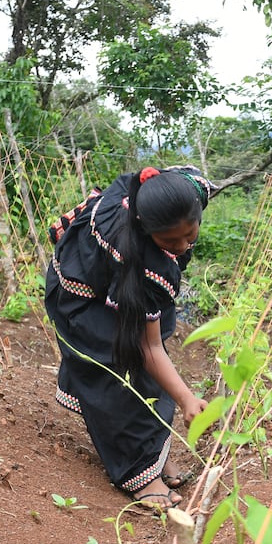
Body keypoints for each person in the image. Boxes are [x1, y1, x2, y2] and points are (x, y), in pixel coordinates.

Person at [45, 166, 212, 509]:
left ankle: (154, 452)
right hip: (82, 298)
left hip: (117, 281)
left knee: (155, 335)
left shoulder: (183, 189)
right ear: (144, 227)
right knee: (121, 371)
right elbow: (148, 347)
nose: (182, 247)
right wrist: (186, 399)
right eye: (169, 241)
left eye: (190, 235)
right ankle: (139, 472)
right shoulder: (143, 263)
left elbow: (156, 181)